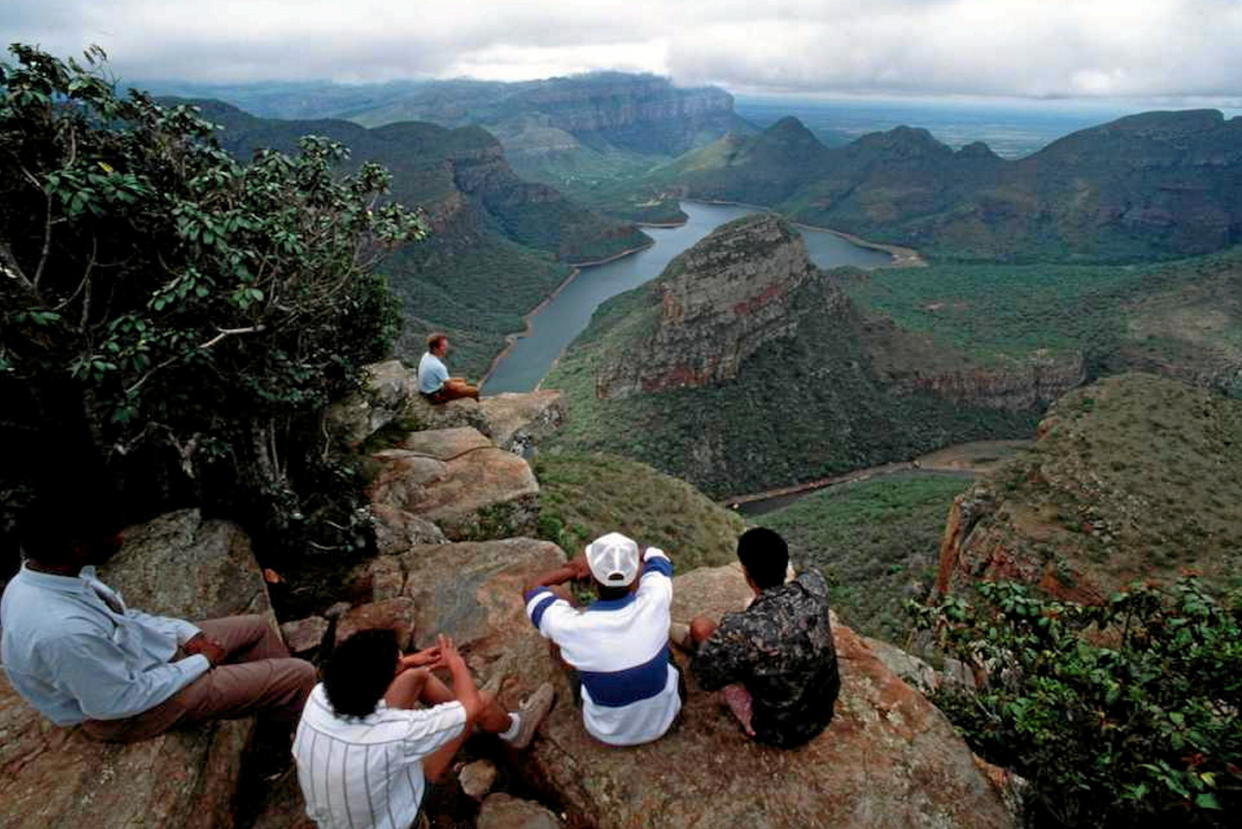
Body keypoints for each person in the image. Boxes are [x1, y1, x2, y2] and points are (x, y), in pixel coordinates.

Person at [0, 517, 317, 743]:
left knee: (256, 627)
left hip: (137, 662)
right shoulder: (61, 631)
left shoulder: (46, 577)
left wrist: (183, 632)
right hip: (132, 711)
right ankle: (318, 743)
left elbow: (126, 619)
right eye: (109, 533)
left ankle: (287, 725)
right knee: (299, 674)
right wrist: (201, 662)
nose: (121, 538)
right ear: (76, 547)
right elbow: (115, 703)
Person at [294, 629, 553, 829]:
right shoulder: (396, 732)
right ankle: (516, 730)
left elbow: (366, 678)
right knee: (481, 703)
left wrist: (407, 663)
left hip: (336, 816)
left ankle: (462, 727)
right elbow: (471, 704)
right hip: (392, 819)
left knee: (416, 676)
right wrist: (456, 663)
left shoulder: (319, 696)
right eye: (396, 661)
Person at [683, 527, 840, 748]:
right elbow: (800, 581)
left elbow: (706, 679)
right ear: (786, 566)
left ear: (746, 573)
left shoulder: (742, 629)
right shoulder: (816, 585)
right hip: (822, 711)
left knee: (701, 627)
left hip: (779, 730)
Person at [522, 531, 680, 746]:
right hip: (664, 719)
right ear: (633, 575)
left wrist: (572, 570)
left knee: (557, 601)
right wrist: (630, 555)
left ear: (592, 579)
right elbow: (656, 555)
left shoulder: (571, 627)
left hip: (606, 730)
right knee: (658, 636)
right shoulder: (656, 598)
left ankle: (566, 664)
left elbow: (533, 588)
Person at [417, 333, 479, 403]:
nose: (446, 348)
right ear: (435, 348)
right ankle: (479, 405)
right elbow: (450, 387)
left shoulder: (426, 355)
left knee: (461, 380)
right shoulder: (438, 366)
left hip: (425, 389)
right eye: (443, 346)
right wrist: (462, 386)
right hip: (435, 395)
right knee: (474, 391)